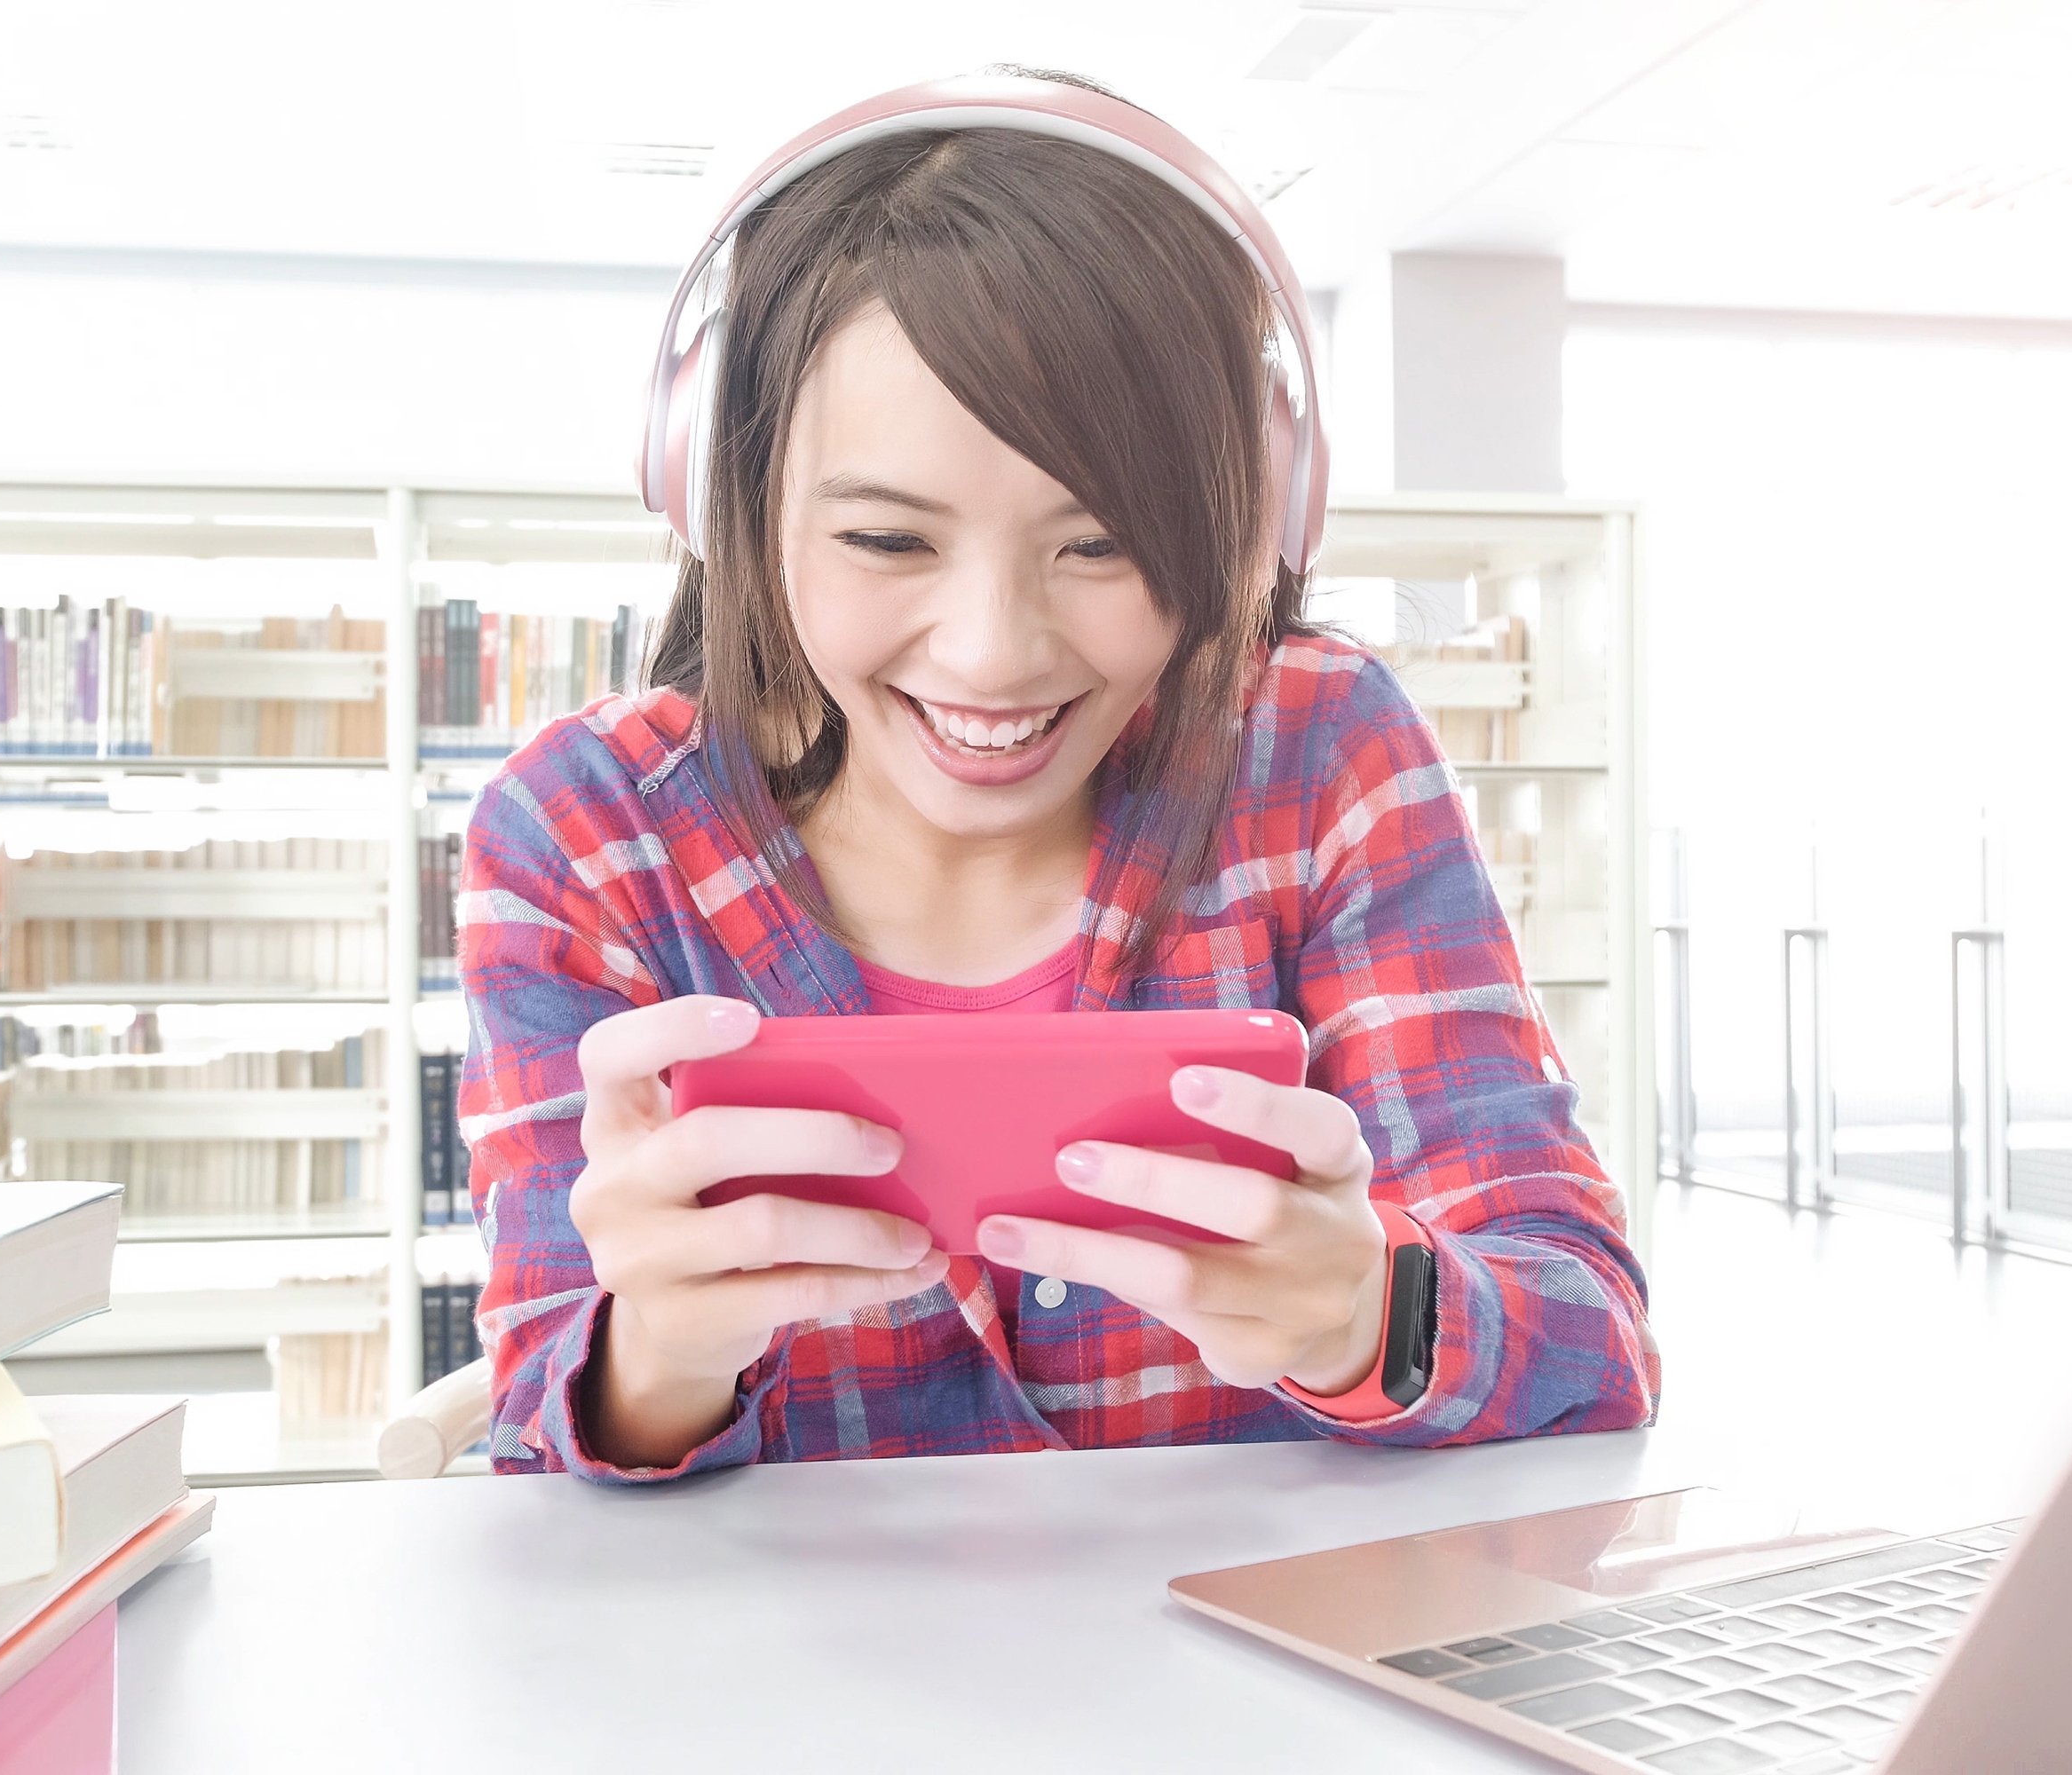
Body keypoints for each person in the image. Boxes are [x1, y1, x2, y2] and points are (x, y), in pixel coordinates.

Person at [457, 69, 1658, 1480]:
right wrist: (658, 1356)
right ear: (722, 497)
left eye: (1103, 544)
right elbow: (538, 1435)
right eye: (888, 542)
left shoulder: (1317, 749)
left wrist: (1362, 1315)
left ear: (1253, 519)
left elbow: (1592, 1348)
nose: (994, 653)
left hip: (1249, 1625)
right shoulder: (584, 831)